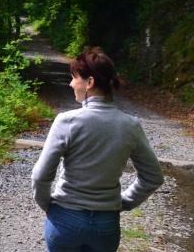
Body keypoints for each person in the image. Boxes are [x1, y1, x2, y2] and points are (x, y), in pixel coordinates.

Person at [31, 47, 164, 252]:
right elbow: (153, 177)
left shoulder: (67, 121)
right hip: (106, 225)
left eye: (74, 78)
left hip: (65, 219)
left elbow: (41, 176)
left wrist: (48, 206)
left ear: (90, 82)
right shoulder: (131, 126)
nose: (71, 83)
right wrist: (125, 202)